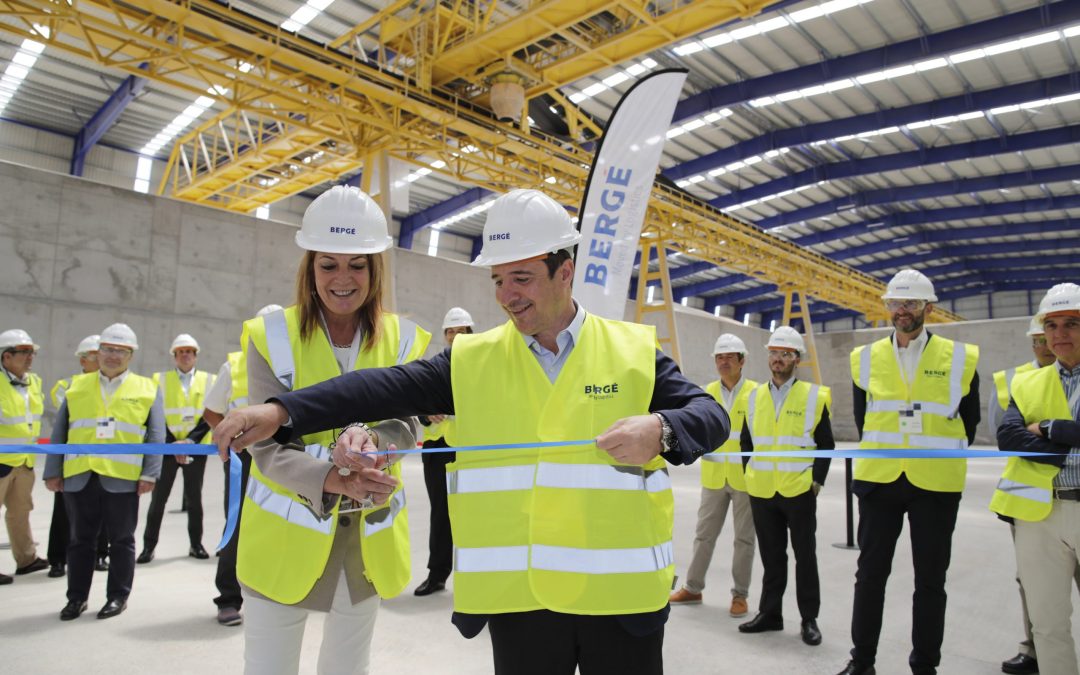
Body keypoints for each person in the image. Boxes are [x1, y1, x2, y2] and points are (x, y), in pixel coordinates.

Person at [215, 188, 730, 675]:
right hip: (522, 606)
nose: (507, 295)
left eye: (522, 278)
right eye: (498, 280)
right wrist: (281, 412)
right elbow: (376, 389)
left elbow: (712, 415)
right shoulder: (472, 360)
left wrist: (662, 429)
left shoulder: (632, 352)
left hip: (621, 602)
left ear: (565, 271)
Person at [236, 186, 431, 674]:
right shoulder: (270, 337)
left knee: (348, 667)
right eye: (329, 265)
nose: (343, 279)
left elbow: (405, 422)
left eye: (357, 265)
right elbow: (265, 443)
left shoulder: (404, 339)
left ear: (375, 269)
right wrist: (329, 477)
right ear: (310, 268)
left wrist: (372, 442)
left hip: (365, 541)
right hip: (284, 541)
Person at [837, 269, 980, 675]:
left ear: (927, 308)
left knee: (931, 581)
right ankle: (861, 661)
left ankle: (924, 666)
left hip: (934, 484)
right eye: (896, 303)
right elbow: (865, 419)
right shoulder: (863, 358)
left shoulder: (960, 358)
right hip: (879, 481)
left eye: (911, 303)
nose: (902, 311)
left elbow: (969, 423)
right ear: (886, 308)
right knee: (869, 577)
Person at [44, 322, 164, 621]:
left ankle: (117, 597)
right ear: (97, 352)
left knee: (122, 540)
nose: (113, 355)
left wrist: (150, 474)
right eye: (108, 349)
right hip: (80, 475)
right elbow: (59, 432)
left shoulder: (147, 388)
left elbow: (156, 435)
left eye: (120, 351)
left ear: (131, 355)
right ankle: (76, 599)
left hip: (122, 479)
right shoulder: (76, 386)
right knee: (79, 541)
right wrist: (52, 471)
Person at [994, 282, 1080, 675]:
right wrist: (1067, 434)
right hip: (1038, 514)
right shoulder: (1025, 382)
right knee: (1047, 625)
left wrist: (1045, 427)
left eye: (1072, 324)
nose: (1060, 335)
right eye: (1053, 325)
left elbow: (1032, 432)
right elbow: (1008, 436)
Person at [737, 326, 832, 647]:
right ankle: (771, 614)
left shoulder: (814, 396)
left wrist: (816, 481)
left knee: (805, 556)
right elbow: (746, 441)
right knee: (771, 556)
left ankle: (809, 619)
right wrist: (749, 475)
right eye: (774, 353)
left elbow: (826, 443)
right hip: (762, 490)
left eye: (785, 354)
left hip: (798, 489)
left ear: (797, 359)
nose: (778, 359)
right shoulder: (753, 396)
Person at [202, 303, 282, 627]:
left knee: (283, 522)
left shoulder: (293, 365)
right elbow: (211, 410)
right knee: (237, 525)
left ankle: (277, 593)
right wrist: (229, 436)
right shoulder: (232, 365)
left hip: (283, 453)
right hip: (243, 457)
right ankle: (229, 598)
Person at [670, 333, 758, 618]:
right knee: (703, 535)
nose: (723, 362)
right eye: (719, 358)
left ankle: (740, 595)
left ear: (742, 361)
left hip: (745, 479)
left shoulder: (757, 393)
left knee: (744, 539)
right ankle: (693, 587)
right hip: (714, 477)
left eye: (729, 358)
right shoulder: (706, 392)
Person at [137, 334, 214, 563]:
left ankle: (196, 545)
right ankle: (148, 547)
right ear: (174, 356)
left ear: (196, 355)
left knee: (194, 499)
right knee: (158, 500)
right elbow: (156, 416)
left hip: (196, 449)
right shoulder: (158, 380)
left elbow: (211, 414)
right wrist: (173, 444)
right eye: (181, 352)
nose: (185, 355)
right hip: (167, 449)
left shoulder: (210, 380)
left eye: (189, 351)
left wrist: (189, 442)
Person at [414, 306, 474, 598]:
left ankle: (475, 577)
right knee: (441, 513)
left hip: (468, 449)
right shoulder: (435, 367)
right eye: (451, 332)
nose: (455, 337)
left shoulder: (481, 367)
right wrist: (427, 412)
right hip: (437, 449)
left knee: (472, 513)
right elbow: (417, 405)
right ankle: (437, 574)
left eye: (461, 332)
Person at [47, 334, 111, 578]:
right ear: (83, 361)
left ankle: (100, 554)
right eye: (95, 356)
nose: (101, 360)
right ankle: (57, 559)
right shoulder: (68, 386)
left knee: (104, 511)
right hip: (73, 461)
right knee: (64, 513)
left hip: (105, 460)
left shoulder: (114, 386)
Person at [0, 329, 48, 584]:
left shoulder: (34, 382)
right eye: (24, 352)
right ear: (6, 356)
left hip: (25, 461)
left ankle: (26, 560)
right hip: (1, 460)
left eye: (32, 352)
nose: (30, 357)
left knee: (20, 511)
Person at [987, 317, 1056, 435]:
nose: (1047, 347)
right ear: (1033, 345)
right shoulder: (1006, 378)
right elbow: (998, 429)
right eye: (1041, 341)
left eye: (1052, 340)